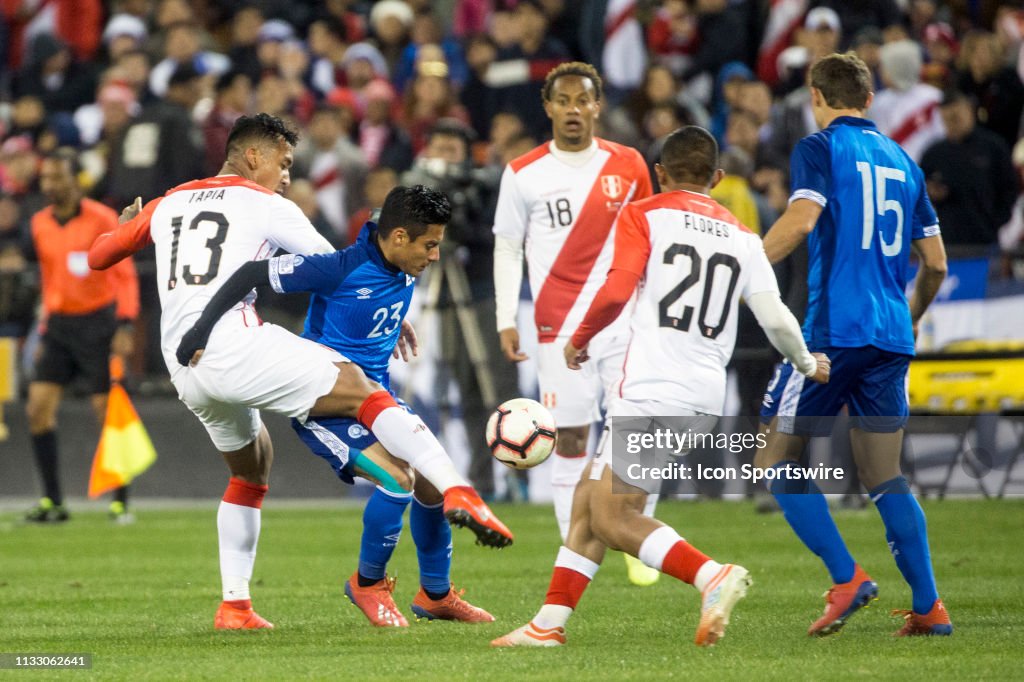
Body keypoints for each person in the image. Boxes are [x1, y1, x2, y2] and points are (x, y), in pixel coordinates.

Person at [88, 113, 513, 630]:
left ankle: (235, 607)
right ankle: (458, 492)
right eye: (283, 162)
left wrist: (126, 226)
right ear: (252, 157)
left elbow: (98, 256)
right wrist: (386, 307)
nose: (287, 175)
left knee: (250, 471)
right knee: (361, 390)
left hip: (185, 367)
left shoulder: (169, 200)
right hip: (231, 343)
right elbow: (337, 268)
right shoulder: (268, 205)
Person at [492, 126, 830, 648]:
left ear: (659, 174)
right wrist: (807, 363)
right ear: (717, 178)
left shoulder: (644, 214)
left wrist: (579, 339)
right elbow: (777, 317)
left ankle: (710, 575)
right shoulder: (742, 236)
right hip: (702, 391)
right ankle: (548, 626)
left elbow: (616, 289)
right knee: (588, 498)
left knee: (612, 515)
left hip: (653, 385)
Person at [175, 185, 494, 628]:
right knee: (400, 479)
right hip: (327, 405)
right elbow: (251, 273)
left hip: (376, 396)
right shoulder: (339, 267)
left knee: (431, 486)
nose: (435, 256)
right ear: (399, 237)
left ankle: (436, 595)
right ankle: (367, 583)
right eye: (431, 245)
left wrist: (395, 318)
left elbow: (383, 230)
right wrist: (200, 332)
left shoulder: (398, 260)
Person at [754, 53, 952, 638]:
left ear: (817, 97)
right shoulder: (904, 162)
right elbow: (935, 264)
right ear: (869, 101)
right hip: (889, 336)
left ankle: (847, 578)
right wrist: (909, 315)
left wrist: (742, 267)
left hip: (832, 336)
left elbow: (800, 221)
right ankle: (929, 607)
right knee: (884, 476)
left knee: (773, 457)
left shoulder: (818, 148)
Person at [492, 61, 658, 585]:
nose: (572, 110)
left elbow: (654, 238)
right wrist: (504, 316)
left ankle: (633, 529)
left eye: (582, 100)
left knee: (633, 429)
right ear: (548, 107)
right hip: (556, 326)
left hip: (623, 319)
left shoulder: (629, 165)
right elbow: (506, 246)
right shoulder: (523, 173)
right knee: (568, 438)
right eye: (562, 101)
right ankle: (575, 547)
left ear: (597, 106)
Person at [24, 148, 138, 523]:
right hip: (58, 325)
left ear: (77, 180)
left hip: (98, 323)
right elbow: (48, 277)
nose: (50, 185)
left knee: (106, 411)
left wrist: (125, 323)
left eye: (57, 177)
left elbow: (123, 274)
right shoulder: (39, 222)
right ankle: (53, 501)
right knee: (37, 409)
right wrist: (44, 324)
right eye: (45, 178)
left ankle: (120, 500)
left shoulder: (101, 218)